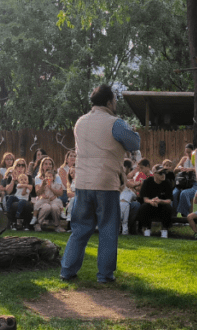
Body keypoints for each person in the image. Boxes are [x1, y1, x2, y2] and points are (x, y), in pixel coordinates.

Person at [60, 85, 140, 282]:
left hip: (82, 183)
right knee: (107, 230)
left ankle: (67, 271)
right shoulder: (116, 123)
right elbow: (134, 144)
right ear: (109, 102)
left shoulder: (80, 122)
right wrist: (132, 131)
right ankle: (105, 275)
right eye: (115, 100)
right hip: (106, 183)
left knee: (79, 229)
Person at [137, 168, 174, 238]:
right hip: (150, 205)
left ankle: (164, 229)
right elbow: (145, 199)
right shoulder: (147, 182)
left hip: (162, 206)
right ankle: (147, 228)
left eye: (164, 173)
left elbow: (169, 201)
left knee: (168, 208)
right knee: (143, 207)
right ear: (154, 174)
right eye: (160, 173)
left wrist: (160, 201)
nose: (163, 175)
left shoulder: (167, 183)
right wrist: (151, 201)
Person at [173, 143, 197, 217]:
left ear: (193, 152)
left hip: (193, 184)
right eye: (186, 152)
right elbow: (175, 170)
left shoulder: (196, 160)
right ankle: (174, 216)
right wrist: (181, 168)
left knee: (184, 193)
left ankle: (185, 215)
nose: (187, 154)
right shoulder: (184, 159)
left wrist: (191, 169)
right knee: (174, 194)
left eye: (189, 152)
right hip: (183, 183)